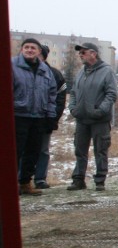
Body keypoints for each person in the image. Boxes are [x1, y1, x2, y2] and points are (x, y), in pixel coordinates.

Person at [67, 42, 117, 191]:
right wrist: (72, 108)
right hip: (82, 118)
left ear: (93, 53)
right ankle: (78, 179)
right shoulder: (81, 72)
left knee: (100, 150)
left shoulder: (107, 71)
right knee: (80, 150)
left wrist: (101, 110)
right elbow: (74, 92)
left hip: (99, 120)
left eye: (83, 52)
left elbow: (111, 94)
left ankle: (100, 180)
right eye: (80, 53)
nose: (80, 55)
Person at [13, 38, 57, 196]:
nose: (30, 50)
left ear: (39, 52)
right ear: (22, 49)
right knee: (15, 152)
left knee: (33, 152)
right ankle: (10, 185)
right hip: (18, 115)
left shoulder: (45, 70)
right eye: (26, 47)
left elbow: (52, 94)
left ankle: (25, 183)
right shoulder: (12, 66)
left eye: (33, 48)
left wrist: (51, 116)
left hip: (38, 116)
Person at [32, 43, 66, 189]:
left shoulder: (54, 74)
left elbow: (60, 99)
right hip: (24, 118)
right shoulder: (21, 71)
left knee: (43, 150)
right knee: (22, 149)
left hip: (45, 118)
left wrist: (53, 119)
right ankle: (22, 179)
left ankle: (40, 178)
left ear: (43, 55)